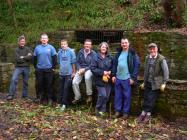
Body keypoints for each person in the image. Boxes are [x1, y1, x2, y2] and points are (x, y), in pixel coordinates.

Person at [137, 43, 169, 123]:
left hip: (156, 83)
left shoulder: (162, 59)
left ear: (157, 49)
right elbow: (146, 71)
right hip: (148, 81)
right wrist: (144, 82)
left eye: (154, 49)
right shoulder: (147, 58)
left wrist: (164, 83)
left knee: (151, 99)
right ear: (149, 50)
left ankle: (147, 115)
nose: (152, 50)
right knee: (146, 97)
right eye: (150, 49)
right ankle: (143, 113)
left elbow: (166, 72)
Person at [112, 38, 140, 119]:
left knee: (127, 96)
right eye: (122, 43)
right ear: (121, 44)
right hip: (118, 78)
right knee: (117, 96)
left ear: (128, 43)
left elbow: (136, 66)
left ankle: (125, 113)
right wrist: (113, 75)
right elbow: (114, 65)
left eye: (125, 43)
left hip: (127, 79)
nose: (124, 44)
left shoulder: (132, 53)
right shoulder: (118, 53)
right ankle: (117, 112)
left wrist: (132, 78)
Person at [33, 33, 57, 104]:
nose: (44, 39)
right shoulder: (37, 48)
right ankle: (40, 98)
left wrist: (53, 67)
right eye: (42, 38)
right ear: (41, 39)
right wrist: (36, 68)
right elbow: (34, 59)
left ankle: (49, 98)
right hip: (39, 69)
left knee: (49, 84)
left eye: (45, 38)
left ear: (47, 39)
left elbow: (54, 58)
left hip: (49, 69)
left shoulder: (51, 47)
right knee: (39, 84)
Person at [91, 42, 113, 116]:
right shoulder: (95, 57)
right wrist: (103, 72)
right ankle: (97, 108)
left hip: (108, 80)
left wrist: (110, 71)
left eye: (105, 47)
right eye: (102, 47)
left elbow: (114, 67)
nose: (104, 48)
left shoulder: (110, 57)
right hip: (99, 80)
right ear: (100, 48)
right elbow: (93, 69)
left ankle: (102, 110)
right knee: (102, 95)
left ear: (107, 49)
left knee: (106, 96)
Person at [7, 35, 32, 100]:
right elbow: (18, 59)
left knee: (25, 82)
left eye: (23, 41)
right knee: (13, 79)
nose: (22, 42)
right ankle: (11, 95)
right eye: (21, 41)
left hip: (26, 67)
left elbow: (31, 57)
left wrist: (23, 57)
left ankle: (24, 96)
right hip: (18, 67)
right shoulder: (16, 50)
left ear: (25, 42)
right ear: (18, 42)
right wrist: (26, 57)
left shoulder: (28, 49)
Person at [72, 39, 97, 104]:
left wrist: (85, 69)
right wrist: (79, 68)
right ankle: (77, 97)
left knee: (87, 77)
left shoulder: (94, 53)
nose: (87, 46)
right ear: (84, 45)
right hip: (80, 69)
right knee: (74, 82)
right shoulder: (80, 52)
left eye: (89, 44)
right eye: (86, 44)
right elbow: (77, 62)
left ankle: (89, 95)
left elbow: (93, 65)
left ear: (91, 46)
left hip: (89, 69)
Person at [57, 39, 76, 111]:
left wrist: (74, 72)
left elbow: (73, 63)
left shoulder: (71, 52)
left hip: (69, 74)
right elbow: (59, 62)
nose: (63, 45)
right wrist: (60, 71)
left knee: (66, 89)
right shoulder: (59, 52)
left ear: (67, 45)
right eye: (62, 44)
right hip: (62, 73)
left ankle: (64, 104)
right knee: (60, 88)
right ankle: (59, 103)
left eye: (64, 44)